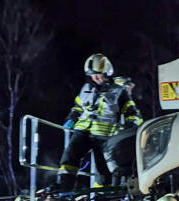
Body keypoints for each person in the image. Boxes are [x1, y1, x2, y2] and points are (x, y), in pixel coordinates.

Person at [56, 54, 143, 191]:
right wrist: (71, 119)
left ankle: (101, 198)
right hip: (83, 131)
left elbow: (133, 114)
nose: (95, 77)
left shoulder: (119, 91)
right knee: (69, 157)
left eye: (98, 74)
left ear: (107, 72)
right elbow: (78, 108)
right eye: (92, 74)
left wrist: (128, 127)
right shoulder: (85, 88)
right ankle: (64, 189)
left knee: (103, 171)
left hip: (104, 136)